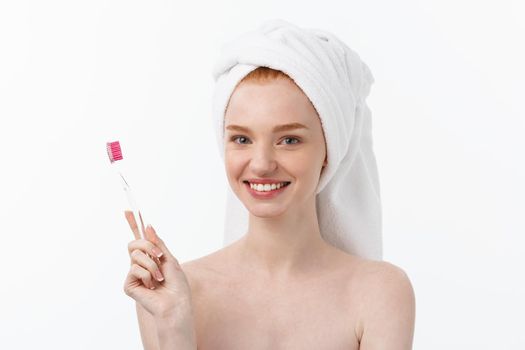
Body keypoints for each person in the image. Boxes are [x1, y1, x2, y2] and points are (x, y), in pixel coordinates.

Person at [123, 20, 415, 350]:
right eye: (241, 138)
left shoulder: (378, 293)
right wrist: (174, 329)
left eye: (289, 140)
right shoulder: (173, 293)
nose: (261, 164)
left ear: (329, 150)